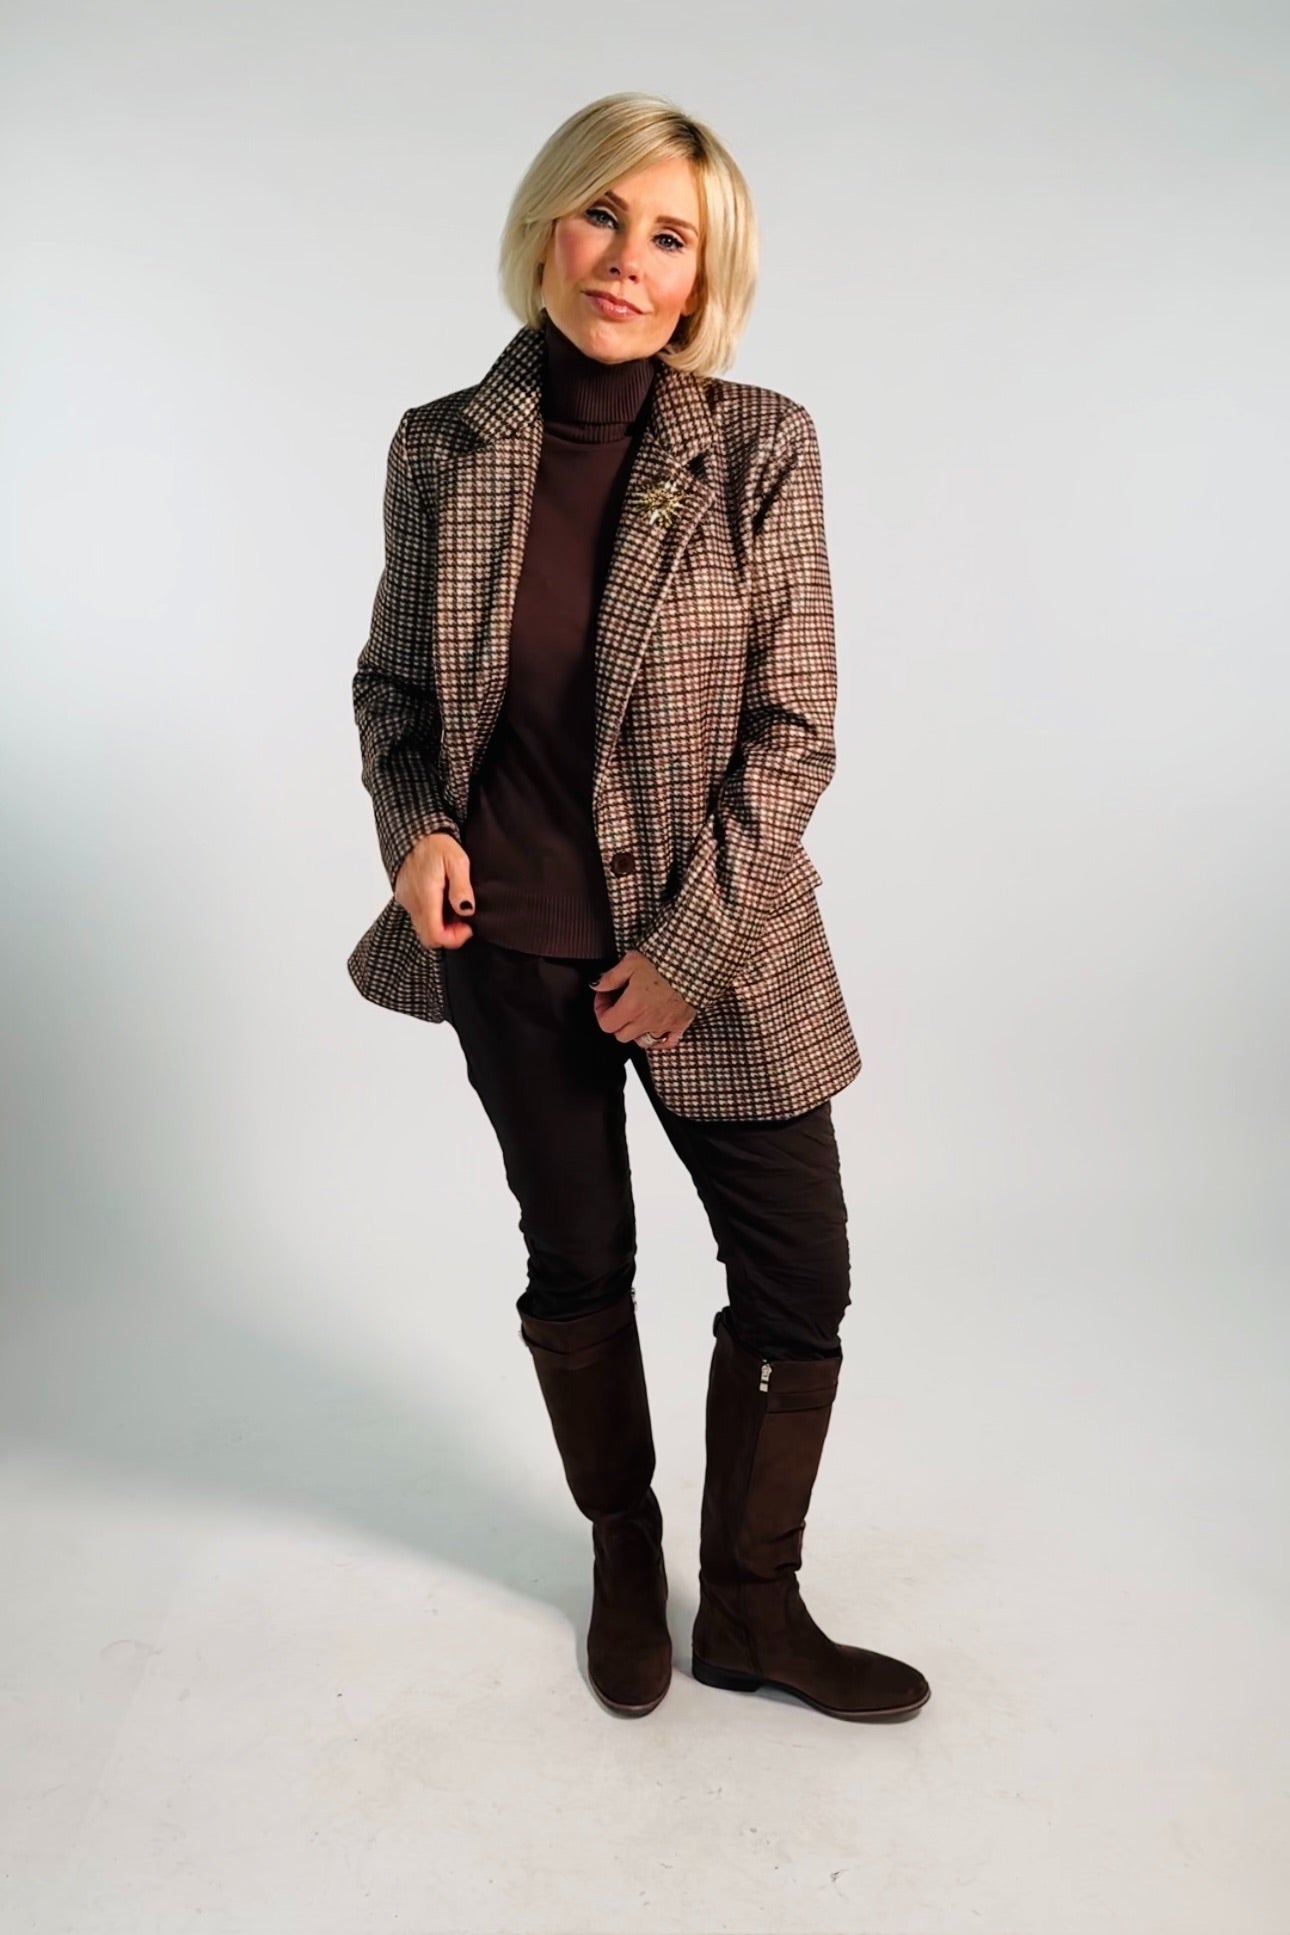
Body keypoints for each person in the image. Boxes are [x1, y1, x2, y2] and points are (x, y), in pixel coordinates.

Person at [348, 91, 930, 1724]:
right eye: (602, 213)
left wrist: (684, 949)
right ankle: (624, 1551)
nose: (626, 258)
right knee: (577, 1259)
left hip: (722, 950)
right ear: (548, 224)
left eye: (668, 236)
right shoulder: (441, 447)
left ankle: (750, 1606)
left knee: (796, 1274)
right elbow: (392, 689)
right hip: (508, 948)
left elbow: (793, 727)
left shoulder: (757, 444)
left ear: (702, 277)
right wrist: (414, 829)